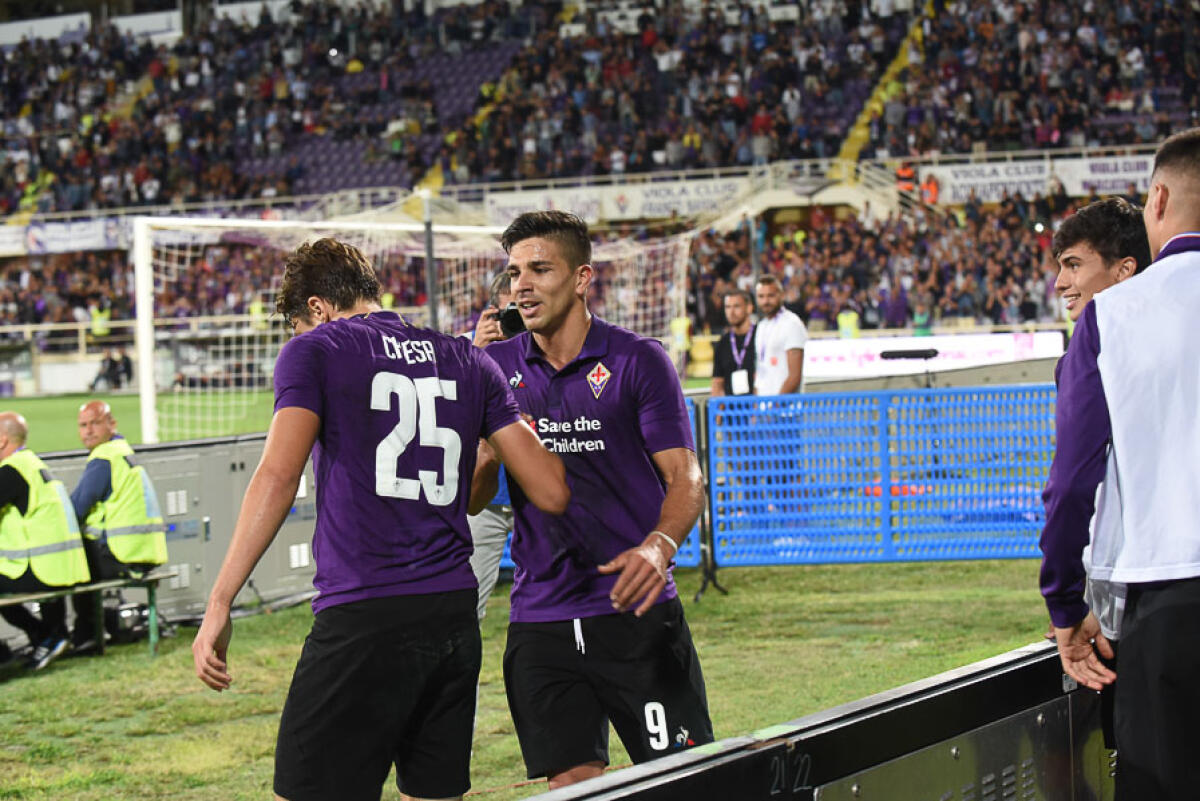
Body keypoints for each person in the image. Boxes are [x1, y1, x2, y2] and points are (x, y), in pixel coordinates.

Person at [191, 238, 568, 801]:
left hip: (364, 613)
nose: (300, 335)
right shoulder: (468, 358)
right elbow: (551, 491)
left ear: (317, 309)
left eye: (299, 323)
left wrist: (219, 600)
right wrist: (493, 443)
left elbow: (277, 475)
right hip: (452, 615)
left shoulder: (315, 350)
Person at [482, 210, 713, 789]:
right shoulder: (494, 368)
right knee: (575, 788)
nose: (522, 286)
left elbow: (686, 476)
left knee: (684, 781)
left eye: (539, 269)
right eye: (514, 274)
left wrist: (659, 548)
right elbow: (472, 497)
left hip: (635, 613)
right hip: (541, 620)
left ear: (582, 278)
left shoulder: (638, 359)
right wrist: (483, 452)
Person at [1039, 128, 1200, 799]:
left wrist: (1065, 604)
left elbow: (1071, 484)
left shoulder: (1114, 316)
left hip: (1167, 603)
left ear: (1157, 199)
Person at [1041, 196, 1151, 744]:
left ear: (1125, 269)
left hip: (1137, 595)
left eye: (1074, 264)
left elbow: (1070, 482)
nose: (1060, 282)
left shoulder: (1098, 341)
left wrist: (1064, 600)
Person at [69, 401, 169, 652]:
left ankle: (84, 637)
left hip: (123, 554)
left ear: (112, 424)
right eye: (83, 425)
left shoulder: (104, 458)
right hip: (145, 553)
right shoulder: (122, 452)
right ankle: (92, 632)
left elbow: (76, 508)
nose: (88, 430)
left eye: (95, 423)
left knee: (70, 562)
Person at [0, 412, 90, 670]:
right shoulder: (34, 465)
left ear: (2, 440)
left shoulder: (11, 472)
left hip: (43, 568)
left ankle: (44, 637)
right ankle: (47, 635)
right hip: (63, 565)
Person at [467, 270, 521, 620]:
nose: (518, 321)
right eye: (509, 314)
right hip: (484, 500)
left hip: (535, 495)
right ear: (491, 313)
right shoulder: (470, 351)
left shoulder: (547, 346)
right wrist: (476, 355)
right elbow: (451, 416)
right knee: (465, 607)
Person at [753, 274, 808, 395]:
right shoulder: (761, 326)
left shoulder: (792, 323)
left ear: (782, 295)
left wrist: (774, 408)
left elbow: (794, 376)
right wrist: (756, 408)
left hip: (786, 411)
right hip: (764, 409)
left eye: (771, 296)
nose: (766, 301)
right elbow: (760, 372)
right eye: (761, 296)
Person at [710, 289, 756, 397]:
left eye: (736, 306)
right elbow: (717, 383)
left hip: (758, 407)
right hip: (731, 410)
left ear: (749, 308)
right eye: (727, 307)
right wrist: (719, 413)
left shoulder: (760, 336)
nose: (731, 312)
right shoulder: (723, 343)